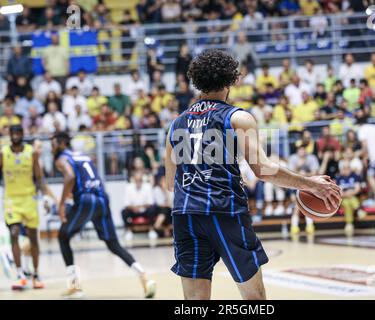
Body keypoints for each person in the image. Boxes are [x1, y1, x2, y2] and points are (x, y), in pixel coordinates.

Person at [164, 49, 341, 300]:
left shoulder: (176, 124)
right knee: (254, 299)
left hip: (185, 215)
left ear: (196, 81)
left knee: (195, 302)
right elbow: (264, 170)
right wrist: (310, 184)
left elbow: (171, 183)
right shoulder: (237, 117)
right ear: (232, 80)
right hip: (224, 210)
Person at [51, 132, 156, 299]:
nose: (51, 147)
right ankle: (143, 276)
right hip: (102, 198)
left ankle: (74, 287)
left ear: (62, 144)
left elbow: (70, 176)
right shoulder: (82, 155)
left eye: (53, 143)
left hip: (86, 200)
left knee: (63, 237)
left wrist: (62, 203)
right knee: (113, 244)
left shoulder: (61, 157)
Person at [0, 125, 56, 290]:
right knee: (14, 233)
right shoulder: (3, 153)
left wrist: (45, 197)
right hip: (11, 200)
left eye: (18, 132)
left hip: (29, 199)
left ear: (23, 134)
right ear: (9, 135)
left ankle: (36, 274)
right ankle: (19, 274)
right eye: (13, 133)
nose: (16, 135)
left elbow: (39, 178)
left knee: (33, 238)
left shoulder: (31, 152)